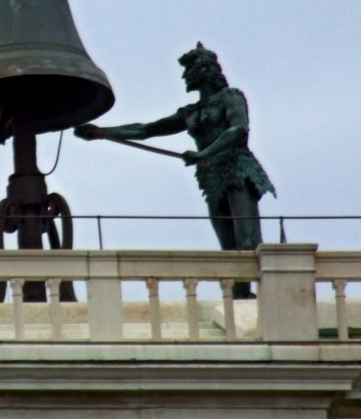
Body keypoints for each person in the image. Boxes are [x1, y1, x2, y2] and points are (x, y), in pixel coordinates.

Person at [75, 43, 275, 298]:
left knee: (246, 242)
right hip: (211, 177)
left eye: (189, 70)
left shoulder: (231, 97)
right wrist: (103, 133)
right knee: (228, 248)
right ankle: (240, 298)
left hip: (237, 169)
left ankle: (261, 297)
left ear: (203, 71)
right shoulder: (191, 113)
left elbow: (238, 130)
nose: (184, 76)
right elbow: (147, 129)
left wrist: (203, 153)